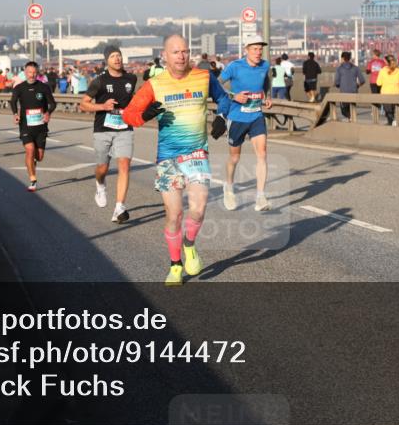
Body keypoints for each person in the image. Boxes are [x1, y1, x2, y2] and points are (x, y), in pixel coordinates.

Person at [122, 35, 231, 286]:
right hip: (168, 158)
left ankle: (189, 245)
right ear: (165, 56)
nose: (181, 56)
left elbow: (224, 98)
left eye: (185, 51)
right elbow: (130, 115)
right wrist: (145, 115)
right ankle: (175, 265)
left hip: (196, 153)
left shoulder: (204, 77)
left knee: (199, 208)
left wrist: (222, 117)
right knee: (174, 214)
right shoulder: (154, 84)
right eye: (175, 52)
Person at [80, 45, 137, 223]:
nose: (117, 59)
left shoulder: (131, 78)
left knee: (124, 164)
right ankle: (100, 184)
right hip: (102, 129)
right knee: (102, 168)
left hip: (124, 128)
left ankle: (119, 207)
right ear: (107, 60)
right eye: (112, 56)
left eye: (119, 55)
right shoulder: (99, 81)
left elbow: (135, 99)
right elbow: (84, 104)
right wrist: (102, 106)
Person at [219, 35, 273, 212]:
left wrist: (267, 95)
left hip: (256, 116)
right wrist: (234, 96)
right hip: (237, 118)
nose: (258, 52)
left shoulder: (265, 65)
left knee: (262, 154)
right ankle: (228, 187)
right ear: (246, 50)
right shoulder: (235, 67)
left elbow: (266, 81)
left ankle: (260, 197)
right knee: (234, 158)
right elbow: (217, 84)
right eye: (254, 49)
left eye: (260, 49)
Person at [10, 61, 57, 191]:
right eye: (29, 72)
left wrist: (48, 113)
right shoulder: (19, 88)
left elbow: (53, 104)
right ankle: (33, 180)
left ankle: (33, 161)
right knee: (30, 150)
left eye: (34, 72)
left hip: (41, 126)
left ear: (38, 73)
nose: (32, 75)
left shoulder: (44, 87)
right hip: (25, 125)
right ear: (25, 73)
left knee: (39, 156)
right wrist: (15, 114)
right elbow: (13, 101)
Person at [376, 55, 399, 126]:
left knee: (388, 111)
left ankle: (391, 122)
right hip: (396, 93)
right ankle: (392, 122)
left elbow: (378, 83)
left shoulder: (383, 70)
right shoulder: (398, 70)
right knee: (393, 110)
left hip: (385, 94)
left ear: (386, 62)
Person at [334, 51, 364, 120]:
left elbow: (337, 82)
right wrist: (357, 86)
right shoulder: (356, 68)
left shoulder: (339, 68)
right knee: (352, 108)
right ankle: (351, 120)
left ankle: (349, 118)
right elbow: (362, 80)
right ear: (349, 58)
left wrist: (340, 85)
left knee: (344, 111)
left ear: (342, 58)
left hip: (343, 93)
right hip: (354, 92)